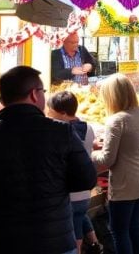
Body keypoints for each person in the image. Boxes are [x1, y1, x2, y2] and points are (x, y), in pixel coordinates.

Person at [0, 66, 98, 254]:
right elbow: (87, 179)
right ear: (35, 95)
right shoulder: (62, 132)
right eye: (43, 91)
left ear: (3, 99)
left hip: (1, 241)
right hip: (55, 240)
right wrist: (53, 184)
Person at [91, 74, 139, 254]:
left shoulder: (117, 120)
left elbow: (107, 159)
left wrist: (89, 153)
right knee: (134, 226)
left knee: (119, 230)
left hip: (126, 184)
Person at [46, 90, 103, 254]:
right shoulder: (89, 127)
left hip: (70, 191)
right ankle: (96, 245)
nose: (48, 115)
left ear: (62, 113)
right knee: (80, 216)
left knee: (74, 231)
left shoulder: (60, 133)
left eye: (51, 111)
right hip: (85, 190)